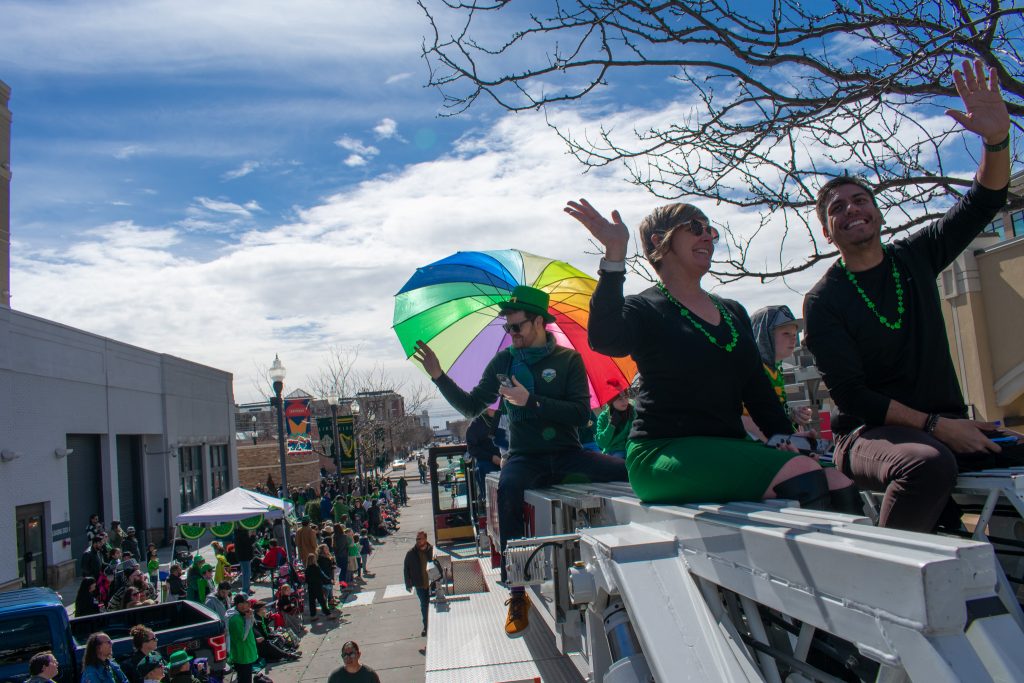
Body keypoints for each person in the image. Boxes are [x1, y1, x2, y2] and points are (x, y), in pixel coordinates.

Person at [803, 59, 1021, 532]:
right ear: (827, 233)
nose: (852, 209)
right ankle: (885, 586)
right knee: (926, 463)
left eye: (860, 199)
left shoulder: (915, 257)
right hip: (868, 436)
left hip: (949, 427)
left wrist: (997, 139)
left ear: (877, 213)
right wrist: (938, 428)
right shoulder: (823, 301)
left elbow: (984, 200)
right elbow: (854, 395)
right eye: (837, 209)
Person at [567, 194, 849, 507]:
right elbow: (605, 339)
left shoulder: (732, 311)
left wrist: (787, 439)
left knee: (838, 479)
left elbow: (757, 390)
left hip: (729, 446)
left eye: (710, 230)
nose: (707, 235)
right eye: (695, 226)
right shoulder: (644, 307)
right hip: (664, 452)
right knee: (803, 474)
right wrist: (615, 255)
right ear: (660, 241)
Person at [414, 284, 629, 635]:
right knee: (509, 490)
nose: (511, 333)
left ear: (540, 322)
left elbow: (579, 415)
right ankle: (516, 593)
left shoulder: (568, 361)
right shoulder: (504, 362)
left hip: (567, 454)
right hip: (525, 458)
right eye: (507, 327)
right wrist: (439, 375)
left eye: (517, 326)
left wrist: (531, 401)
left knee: (625, 471)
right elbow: (471, 406)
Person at [465, 410, 503, 508]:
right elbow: (472, 449)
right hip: (487, 461)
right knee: (482, 468)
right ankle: (488, 502)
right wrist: (491, 457)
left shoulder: (504, 417)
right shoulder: (475, 425)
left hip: (508, 458)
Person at [403, 531, 433, 637]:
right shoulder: (411, 553)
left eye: (420, 538)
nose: (418, 541)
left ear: (425, 539)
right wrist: (408, 584)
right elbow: (406, 569)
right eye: (417, 539)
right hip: (420, 584)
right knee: (424, 605)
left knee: (433, 605)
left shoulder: (431, 550)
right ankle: (426, 627)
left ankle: (433, 625)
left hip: (431, 583)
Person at [595, 384, 634, 458]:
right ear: (611, 401)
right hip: (612, 452)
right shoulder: (603, 417)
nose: (624, 401)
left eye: (626, 397)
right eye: (620, 399)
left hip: (631, 448)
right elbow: (601, 443)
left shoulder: (632, 411)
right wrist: (611, 425)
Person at [227, 593, 259, 683]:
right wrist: (248, 619)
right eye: (243, 603)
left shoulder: (243, 614)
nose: (246, 605)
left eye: (247, 603)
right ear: (238, 605)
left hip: (247, 654)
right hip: (242, 656)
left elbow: (251, 627)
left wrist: (250, 617)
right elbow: (242, 637)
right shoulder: (235, 619)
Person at [304, 552, 336, 621]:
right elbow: (322, 576)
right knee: (322, 601)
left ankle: (313, 615)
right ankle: (328, 614)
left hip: (310, 587)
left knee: (312, 602)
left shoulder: (307, 569)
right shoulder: (316, 567)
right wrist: (329, 580)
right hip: (317, 586)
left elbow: (306, 579)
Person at [234, 527, 255, 595]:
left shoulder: (239, 534)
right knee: (246, 573)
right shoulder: (242, 535)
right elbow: (249, 543)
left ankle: (247, 588)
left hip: (243, 556)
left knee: (247, 573)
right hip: (244, 557)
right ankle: (245, 589)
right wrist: (253, 536)